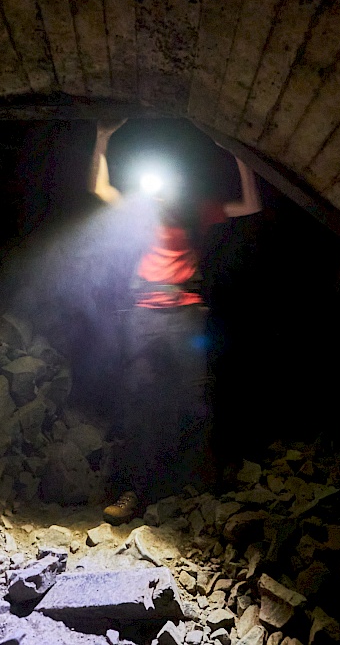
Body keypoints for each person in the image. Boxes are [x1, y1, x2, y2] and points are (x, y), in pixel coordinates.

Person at [88, 119, 261, 523]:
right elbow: (99, 189)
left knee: (195, 395)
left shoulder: (195, 213)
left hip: (185, 314)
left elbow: (251, 205)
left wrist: (240, 154)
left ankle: (203, 482)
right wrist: (102, 139)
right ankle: (135, 491)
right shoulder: (140, 211)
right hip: (144, 314)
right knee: (139, 400)